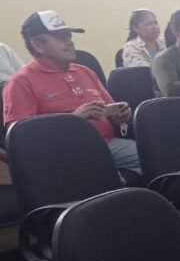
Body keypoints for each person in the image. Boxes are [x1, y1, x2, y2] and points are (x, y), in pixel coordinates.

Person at [5, 10, 139, 172]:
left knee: (156, 156)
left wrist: (120, 116)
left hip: (107, 144)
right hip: (63, 153)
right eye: (60, 37)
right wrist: (73, 120)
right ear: (38, 45)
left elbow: (113, 115)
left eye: (68, 36)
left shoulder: (85, 72)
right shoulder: (21, 82)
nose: (70, 42)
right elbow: (22, 138)